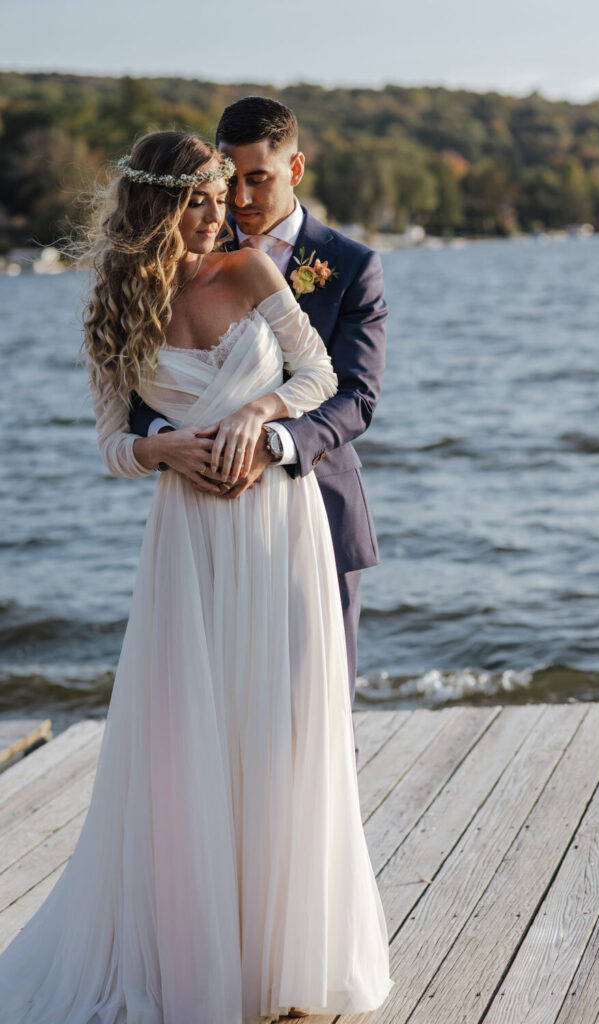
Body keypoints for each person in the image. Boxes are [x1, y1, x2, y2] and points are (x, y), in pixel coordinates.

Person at [0, 131, 393, 1024]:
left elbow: (323, 375)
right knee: (187, 741)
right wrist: (160, 448)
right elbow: (110, 443)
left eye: (223, 197)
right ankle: (198, 962)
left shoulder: (253, 271)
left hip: (277, 525)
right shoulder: (113, 303)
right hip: (189, 533)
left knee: (281, 728)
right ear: (156, 205)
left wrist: (259, 413)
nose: (220, 214)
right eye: (201, 200)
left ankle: (290, 966)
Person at [129, 97, 388, 733]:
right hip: (206, 515)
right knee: (214, 718)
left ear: (295, 168)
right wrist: (169, 442)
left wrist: (271, 439)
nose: (238, 199)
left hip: (316, 507)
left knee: (316, 717)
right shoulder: (183, 249)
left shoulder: (351, 266)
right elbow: (139, 391)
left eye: (258, 178)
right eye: (229, 178)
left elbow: (355, 397)